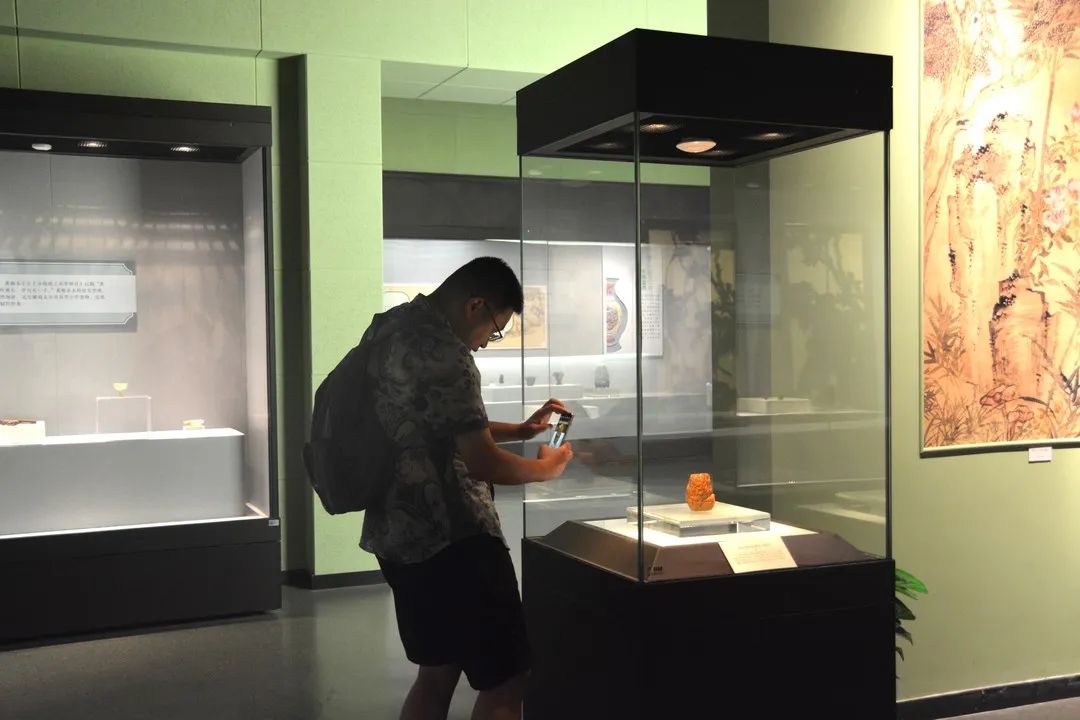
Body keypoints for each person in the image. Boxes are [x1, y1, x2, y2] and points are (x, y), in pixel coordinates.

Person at [361, 256, 574, 720]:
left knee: (436, 674)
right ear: (475, 305)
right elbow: (482, 462)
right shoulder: (447, 353)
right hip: (456, 541)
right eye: (493, 331)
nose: (483, 344)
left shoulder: (391, 328)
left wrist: (520, 431)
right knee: (507, 679)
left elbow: (432, 426)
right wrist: (548, 468)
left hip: (396, 533)